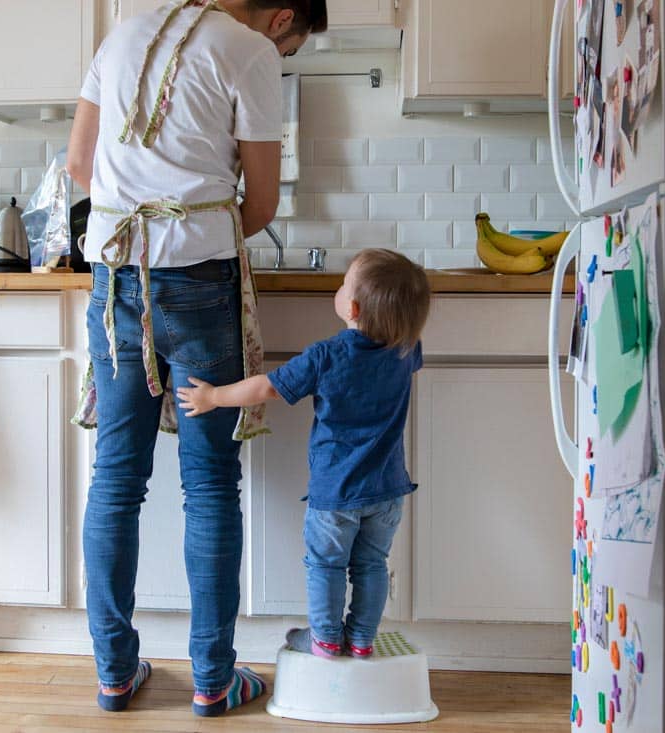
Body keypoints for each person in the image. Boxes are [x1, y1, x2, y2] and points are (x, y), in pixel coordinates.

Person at [65, 0, 328, 719]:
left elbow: (81, 165)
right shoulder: (249, 51)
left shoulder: (122, 32)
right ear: (282, 16)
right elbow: (264, 201)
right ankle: (214, 679)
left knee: (116, 479)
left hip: (118, 275)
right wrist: (195, 239)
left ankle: (115, 674)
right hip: (200, 287)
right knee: (209, 485)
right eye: (296, 40)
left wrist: (145, 226)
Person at [178, 248, 431, 660]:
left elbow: (267, 387)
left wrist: (214, 396)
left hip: (336, 495)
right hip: (387, 492)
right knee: (371, 564)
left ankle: (327, 640)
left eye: (343, 282)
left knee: (326, 565)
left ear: (350, 306)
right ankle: (363, 639)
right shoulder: (406, 350)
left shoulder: (327, 356)